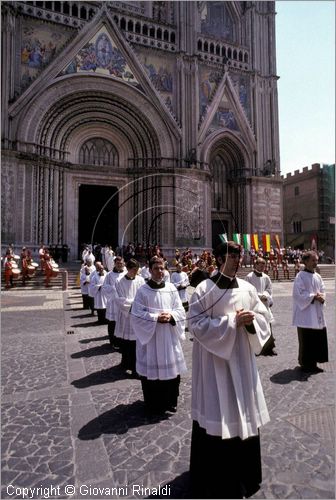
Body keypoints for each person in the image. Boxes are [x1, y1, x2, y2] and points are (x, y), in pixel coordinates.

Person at [188, 241, 271, 499]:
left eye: (238, 256)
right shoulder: (203, 289)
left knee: (243, 413)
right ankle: (216, 478)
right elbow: (196, 324)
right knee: (217, 413)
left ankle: (246, 473)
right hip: (215, 367)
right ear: (218, 259)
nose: (236, 261)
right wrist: (230, 323)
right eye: (231, 256)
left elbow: (263, 317)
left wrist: (250, 323)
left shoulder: (247, 288)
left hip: (243, 362)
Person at [131, 257, 187, 415]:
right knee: (151, 373)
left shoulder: (171, 288)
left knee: (172, 371)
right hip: (151, 339)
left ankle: (171, 401)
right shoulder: (142, 291)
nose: (159, 271)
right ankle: (153, 403)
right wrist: (156, 318)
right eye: (156, 268)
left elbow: (180, 310)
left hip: (169, 337)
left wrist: (171, 317)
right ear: (149, 270)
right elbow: (136, 315)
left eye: (162, 268)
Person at [292, 250, 328, 373]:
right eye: (313, 260)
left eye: (317, 260)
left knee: (317, 339)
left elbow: (323, 289)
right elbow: (298, 294)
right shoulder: (300, 276)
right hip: (305, 314)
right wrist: (314, 296)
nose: (315, 263)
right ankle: (305, 364)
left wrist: (322, 297)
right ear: (306, 261)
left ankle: (314, 363)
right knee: (307, 340)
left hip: (317, 312)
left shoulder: (318, 276)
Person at [114, 259, 145, 376]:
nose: (136, 272)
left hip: (137, 316)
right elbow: (119, 299)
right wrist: (134, 305)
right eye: (134, 270)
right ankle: (126, 362)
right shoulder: (119, 281)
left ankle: (135, 366)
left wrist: (139, 306)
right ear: (128, 269)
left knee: (136, 342)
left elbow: (144, 296)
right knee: (127, 341)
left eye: (137, 270)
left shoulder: (141, 280)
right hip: (126, 316)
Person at [245, 257, 277, 356]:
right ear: (256, 265)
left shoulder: (266, 277)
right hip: (254, 306)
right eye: (261, 264)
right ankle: (257, 348)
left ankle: (269, 348)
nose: (263, 266)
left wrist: (266, 296)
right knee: (257, 327)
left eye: (264, 265)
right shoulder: (249, 277)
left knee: (268, 326)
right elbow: (247, 291)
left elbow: (269, 289)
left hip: (264, 305)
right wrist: (259, 296)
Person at [102, 256, 127, 347]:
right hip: (113, 303)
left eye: (121, 263)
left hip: (123, 302)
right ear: (115, 264)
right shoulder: (109, 275)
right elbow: (105, 287)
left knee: (123, 322)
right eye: (118, 263)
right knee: (113, 323)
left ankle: (122, 341)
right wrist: (114, 289)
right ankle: (113, 341)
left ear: (124, 263)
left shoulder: (126, 274)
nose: (120, 265)